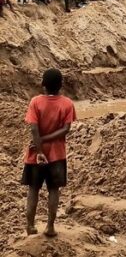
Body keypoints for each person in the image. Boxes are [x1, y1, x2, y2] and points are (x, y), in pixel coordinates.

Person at [21, 68, 76, 237]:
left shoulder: (35, 102)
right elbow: (66, 129)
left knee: (33, 190)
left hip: (35, 155)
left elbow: (34, 130)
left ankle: (30, 226)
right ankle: (50, 227)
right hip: (57, 156)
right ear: (61, 85)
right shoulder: (67, 103)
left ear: (43, 85)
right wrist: (47, 140)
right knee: (54, 190)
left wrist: (39, 149)